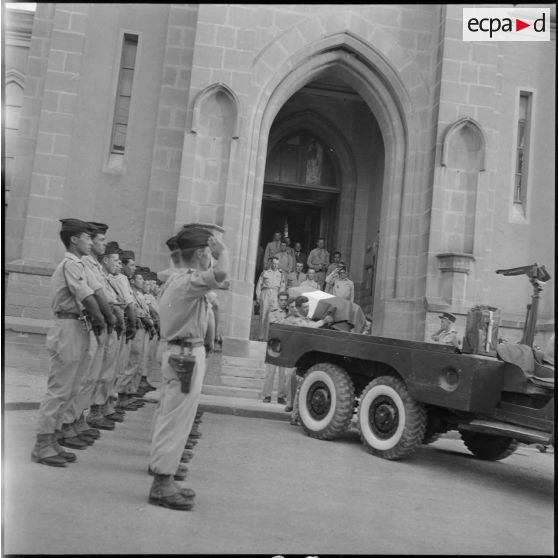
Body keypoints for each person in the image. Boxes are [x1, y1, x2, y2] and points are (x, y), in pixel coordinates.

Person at [148, 223, 229, 511]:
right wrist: (225, 254)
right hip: (183, 357)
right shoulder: (186, 282)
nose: (211, 257)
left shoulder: (183, 280)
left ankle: (164, 478)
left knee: (176, 417)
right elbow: (221, 275)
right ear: (200, 253)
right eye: (209, 252)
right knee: (175, 419)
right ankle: (162, 483)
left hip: (185, 354)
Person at [31, 219, 106, 467]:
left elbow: (92, 295)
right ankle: (42, 444)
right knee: (59, 388)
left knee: (72, 387)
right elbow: (87, 297)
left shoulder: (80, 265)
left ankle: (53, 438)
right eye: (86, 237)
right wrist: (101, 320)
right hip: (67, 327)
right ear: (74, 239)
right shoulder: (69, 265)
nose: (90, 241)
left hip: (78, 326)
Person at [282, 296, 334, 417]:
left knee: (302, 390)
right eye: (304, 307)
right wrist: (323, 321)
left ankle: (297, 415)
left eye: (308, 306)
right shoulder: (294, 320)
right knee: (300, 389)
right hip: (298, 359)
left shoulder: (306, 319)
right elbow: (308, 327)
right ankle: (295, 416)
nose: (307, 309)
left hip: (306, 359)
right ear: (298, 308)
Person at [261, 291, 289, 404]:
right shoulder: (273, 311)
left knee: (283, 373)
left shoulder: (290, 312)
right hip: (274, 344)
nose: (283, 302)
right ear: (278, 300)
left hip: (285, 344)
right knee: (270, 372)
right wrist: (288, 319)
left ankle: (281, 396)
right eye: (281, 300)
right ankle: (267, 395)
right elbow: (275, 325)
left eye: (285, 300)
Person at [255, 256, 285, 341]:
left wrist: (280, 299)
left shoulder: (280, 274)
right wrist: (258, 297)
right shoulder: (265, 272)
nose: (275, 265)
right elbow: (259, 285)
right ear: (271, 263)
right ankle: (260, 337)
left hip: (275, 295)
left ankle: (269, 337)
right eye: (274, 263)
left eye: (277, 264)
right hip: (265, 293)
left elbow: (282, 287)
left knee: (272, 316)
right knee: (263, 315)